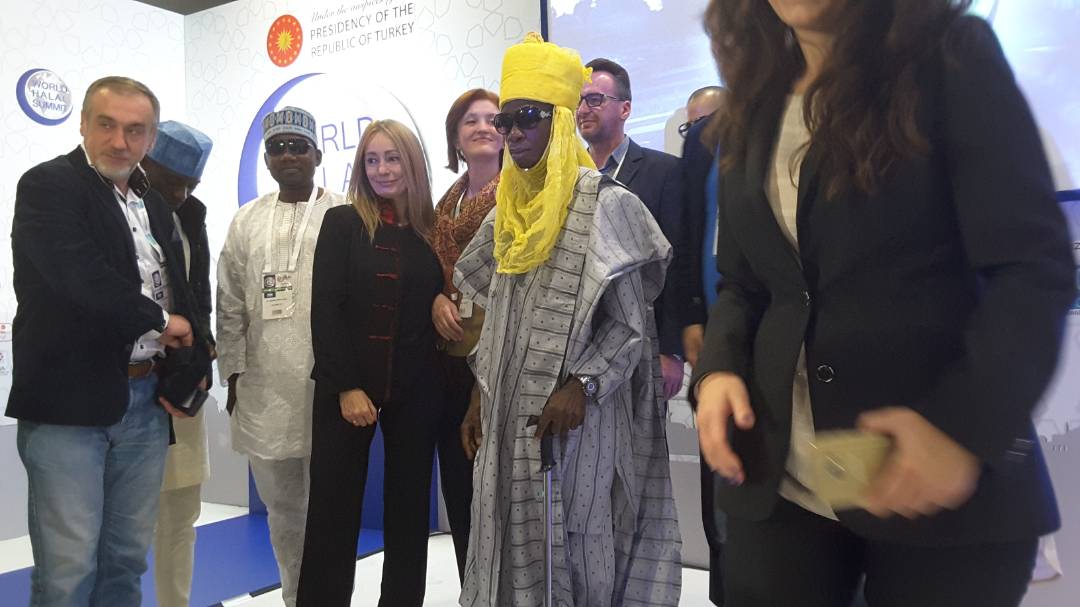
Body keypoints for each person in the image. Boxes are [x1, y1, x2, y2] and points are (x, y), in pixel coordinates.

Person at [692, 1, 1076, 606]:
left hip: (935, 486)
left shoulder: (948, 55)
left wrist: (962, 428)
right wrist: (717, 369)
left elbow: (1031, 267)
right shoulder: (756, 96)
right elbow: (745, 281)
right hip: (782, 481)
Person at [455, 33, 682, 607]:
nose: (512, 134)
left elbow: (628, 326)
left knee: (581, 542)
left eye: (527, 119)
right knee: (507, 536)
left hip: (579, 422)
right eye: (505, 121)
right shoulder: (507, 211)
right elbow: (492, 314)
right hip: (506, 416)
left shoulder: (607, 204)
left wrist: (582, 385)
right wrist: (479, 395)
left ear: (558, 121)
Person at [7, 75, 202, 606]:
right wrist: (163, 322)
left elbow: (177, 284)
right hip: (68, 406)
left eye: (135, 130)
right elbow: (79, 276)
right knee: (67, 570)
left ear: (151, 138)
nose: (120, 141)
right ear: (83, 125)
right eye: (107, 125)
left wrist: (192, 353)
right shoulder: (49, 186)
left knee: (125, 561)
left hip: (144, 402)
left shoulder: (152, 203)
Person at [297, 119, 442, 607]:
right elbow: (325, 308)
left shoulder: (430, 229)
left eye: (393, 158)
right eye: (372, 160)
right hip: (347, 388)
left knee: (409, 512)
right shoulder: (343, 223)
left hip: (416, 390)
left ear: (412, 162)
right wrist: (346, 386)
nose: (382, 169)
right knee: (332, 512)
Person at [216, 106, 346, 607]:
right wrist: (232, 373)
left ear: (317, 154)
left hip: (329, 386)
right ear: (267, 158)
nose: (288, 155)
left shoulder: (344, 211)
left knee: (331, 508)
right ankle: (295, 598)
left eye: (298, 146)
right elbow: (229, 301)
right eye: (277, 148)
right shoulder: (246, 220)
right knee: (283, 510)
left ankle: (328, 598)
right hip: (263, 390)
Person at [577, 57, 686, 400]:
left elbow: (677, 263)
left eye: (595, 99)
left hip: (643, 341)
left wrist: (671, 350)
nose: (583, 109)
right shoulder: (567, 176)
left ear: (625, 108)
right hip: (579, 344)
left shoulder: (664, 172)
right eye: (579, 101)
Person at [429, 88, 502, 581]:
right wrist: (435, 298)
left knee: (496, 493)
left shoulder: (519, 195)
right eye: (470, 120)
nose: (482, 127)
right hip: (447, 361)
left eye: (493, 119)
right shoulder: (445, 203)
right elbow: (430, 274)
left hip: (498, 362)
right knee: (459, 490)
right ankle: (469, 589)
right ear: (456, 136)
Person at [142, 120, 215, 607]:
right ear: (145, 161)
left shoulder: (190, 218)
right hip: (125, 386)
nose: (179, 194)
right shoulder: (110, 211)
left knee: (181, 513)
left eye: (190, 185)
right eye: (171, 181)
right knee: (121, 521)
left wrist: (202, 351)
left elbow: (199, 298)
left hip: (183, 381)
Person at [672, 86, 727, 606]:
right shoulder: (696, 157)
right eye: (693, 126)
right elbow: (688, 239)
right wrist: (690, 318)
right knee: (720, 495)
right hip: (714, 346)